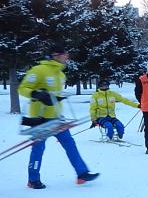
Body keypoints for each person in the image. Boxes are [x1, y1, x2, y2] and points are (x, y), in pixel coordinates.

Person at [18, 44, 99, 189]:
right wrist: (37, 94)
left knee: (69, 143)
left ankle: (82, 173)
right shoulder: (39, 70)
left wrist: (58, 98)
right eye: (64, 54)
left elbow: (54, 93)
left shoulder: (61, 74)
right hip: (39, 118)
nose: (67, 57)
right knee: (38, 148)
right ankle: (33, 179)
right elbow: (22, 88)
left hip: (56, 117)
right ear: (55, 55)